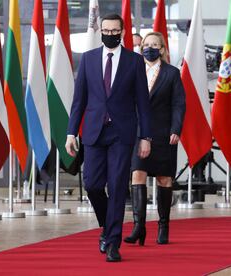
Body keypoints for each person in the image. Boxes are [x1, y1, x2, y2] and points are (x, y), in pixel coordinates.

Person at [66, 14, 152, 262]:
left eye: (115, 30)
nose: (110, 33)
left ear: (122, 32)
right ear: (100, 31)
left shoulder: (135, 62)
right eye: (106, 29)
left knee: (116, 187)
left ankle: (113, 243)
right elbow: (79, 100)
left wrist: (145, 137)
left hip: (121, 133)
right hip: (93, 132)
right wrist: (72, 132)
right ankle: (107, 226)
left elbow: (143, 104)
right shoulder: (89, 59)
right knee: (92, 184)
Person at [124, 32, 185, 246]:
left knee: (164, 179)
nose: (150, 47)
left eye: (155, 44)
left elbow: (178, 104)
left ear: (162, 49)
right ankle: (138, 227)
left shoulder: (172, 73)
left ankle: (163, 226)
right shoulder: (132, 70)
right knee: (137, 174)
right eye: (146, 44)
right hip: (138, 133)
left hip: (163, 133)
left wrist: (176, 129)